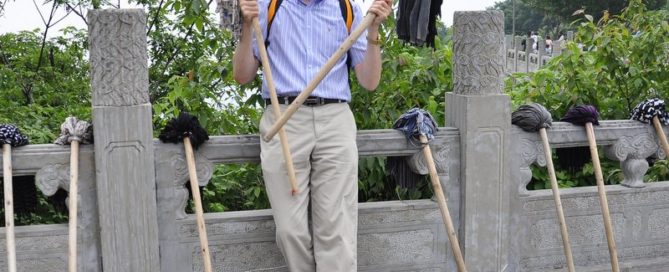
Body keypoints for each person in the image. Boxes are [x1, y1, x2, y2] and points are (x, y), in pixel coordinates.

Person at [232, 0, 392, 271]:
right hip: (284, 119)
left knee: (336, 228)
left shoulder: (346, 8)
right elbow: (242, 75)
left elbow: (369, 81)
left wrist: (373, 30)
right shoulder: (268, 6)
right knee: (289, 230)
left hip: (335, 120)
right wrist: (247, 27)